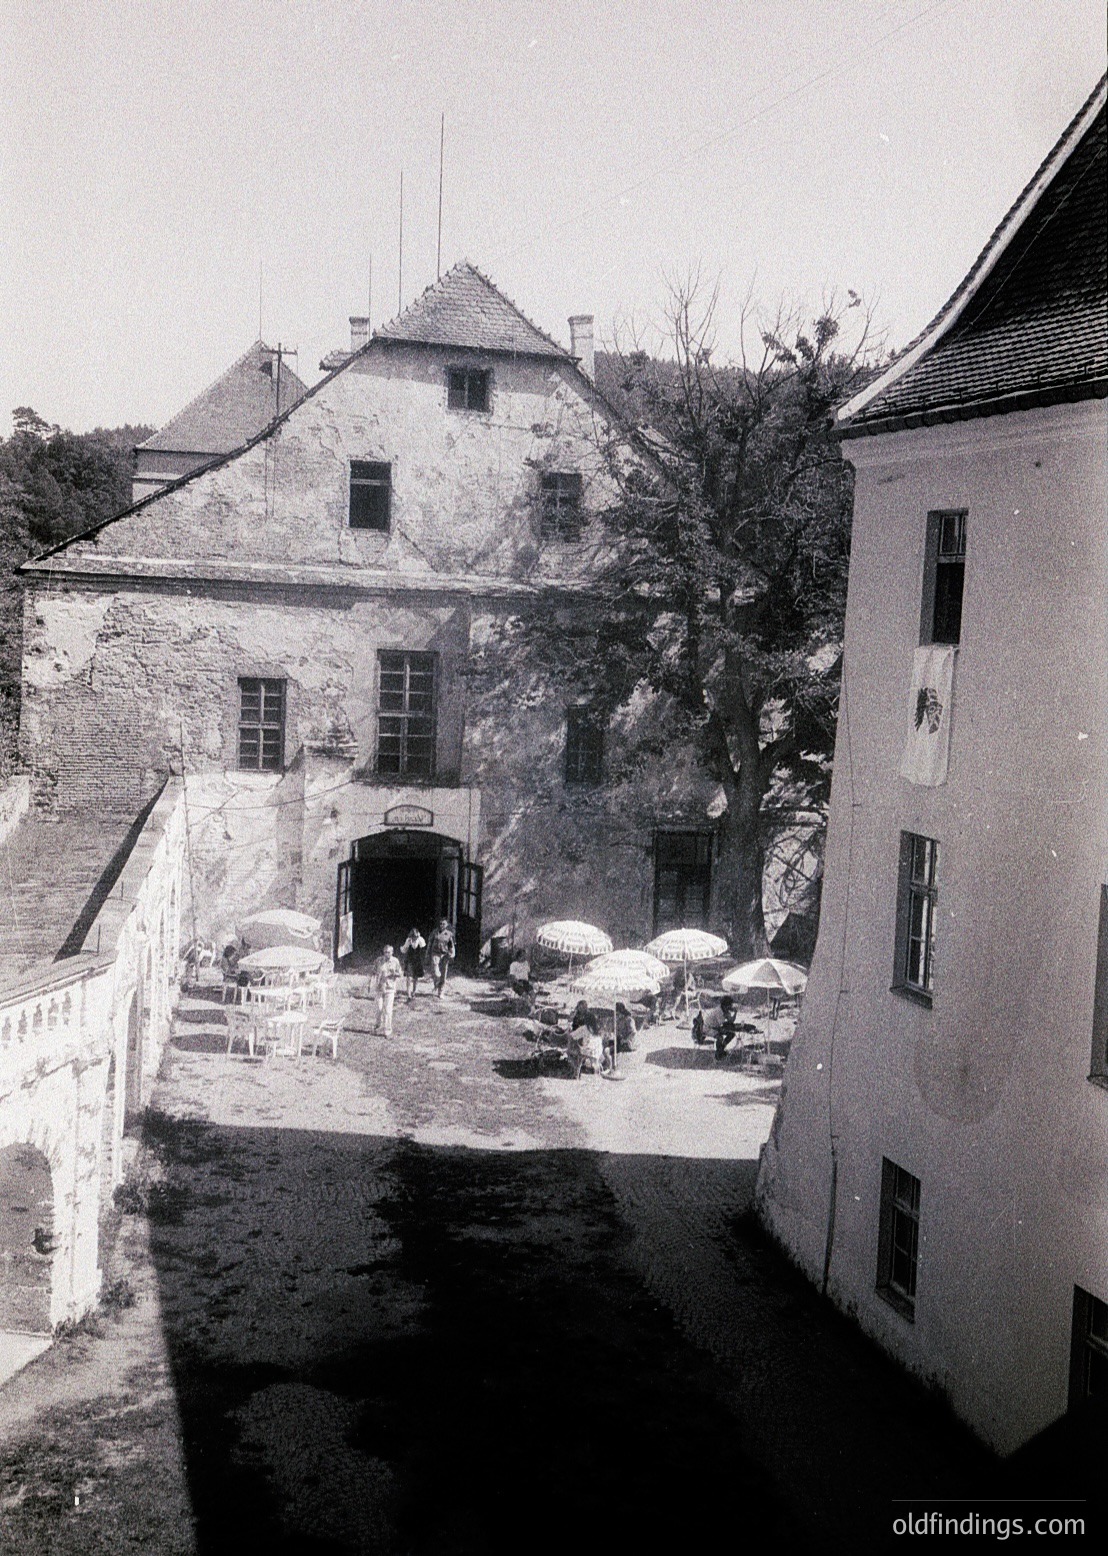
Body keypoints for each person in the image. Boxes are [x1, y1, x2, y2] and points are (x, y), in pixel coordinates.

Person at [567, 1000, 606, 1079]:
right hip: (597, 1051)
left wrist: (569, 1023)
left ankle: (576, 1073)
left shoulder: (584, 1028)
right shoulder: (597, 1031)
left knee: (570, 1051)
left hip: (586, 1051)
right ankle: (595, 1069)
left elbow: (571, 1035)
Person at [373, 945, 403, 1036]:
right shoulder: (379, 960)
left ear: (392, 952)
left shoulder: (395, 961)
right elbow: (373, 972)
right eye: (385, 952)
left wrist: (394, 973)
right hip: (380, 987)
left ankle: (387, 1030)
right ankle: (377, 1025)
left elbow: (400, 973)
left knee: (388, 1010)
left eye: (389, 952)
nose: (387, 954)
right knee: (379, 1008)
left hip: (390, 988)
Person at [429, 919, 456, 997]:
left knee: (444, 973)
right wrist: (427, 953)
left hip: (445, 954)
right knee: (435, 970)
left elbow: (451, 945)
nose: (441, 925)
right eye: (440, 924)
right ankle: (436, 983)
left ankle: (441, 991)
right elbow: (430, 943)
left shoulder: (449, 934)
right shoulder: (435, 932)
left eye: (443, 924)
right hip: (435, 953)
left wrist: (452, 954)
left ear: (446, 925)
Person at [399, 927, 426, 1002]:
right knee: (408, 977)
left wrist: (423, 962)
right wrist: (402, 949)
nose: (414, 938)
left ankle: (414, 992)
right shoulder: (408, 940)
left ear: (417, 935)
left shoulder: (420, 940)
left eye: (415, 936)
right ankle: (409, 994)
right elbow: (404, 950)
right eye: (413, 936)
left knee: (416, 977)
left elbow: (423, 951)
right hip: (410, 960)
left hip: (417, 960)